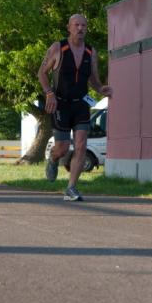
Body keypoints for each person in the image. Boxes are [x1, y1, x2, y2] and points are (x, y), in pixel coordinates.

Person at [38, 13, 112, 201]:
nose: (80, 28)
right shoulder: (58, 48)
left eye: (83, 25)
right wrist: (49, 93)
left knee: (81, 145)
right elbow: (42, 73)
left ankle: (71, 188)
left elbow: (93, 79)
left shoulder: (90, 52)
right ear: (69, 27)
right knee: (62, 148)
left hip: (81, 104)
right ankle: (53, 158)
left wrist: (101, 88)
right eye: (76, 25)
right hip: (60, 103)